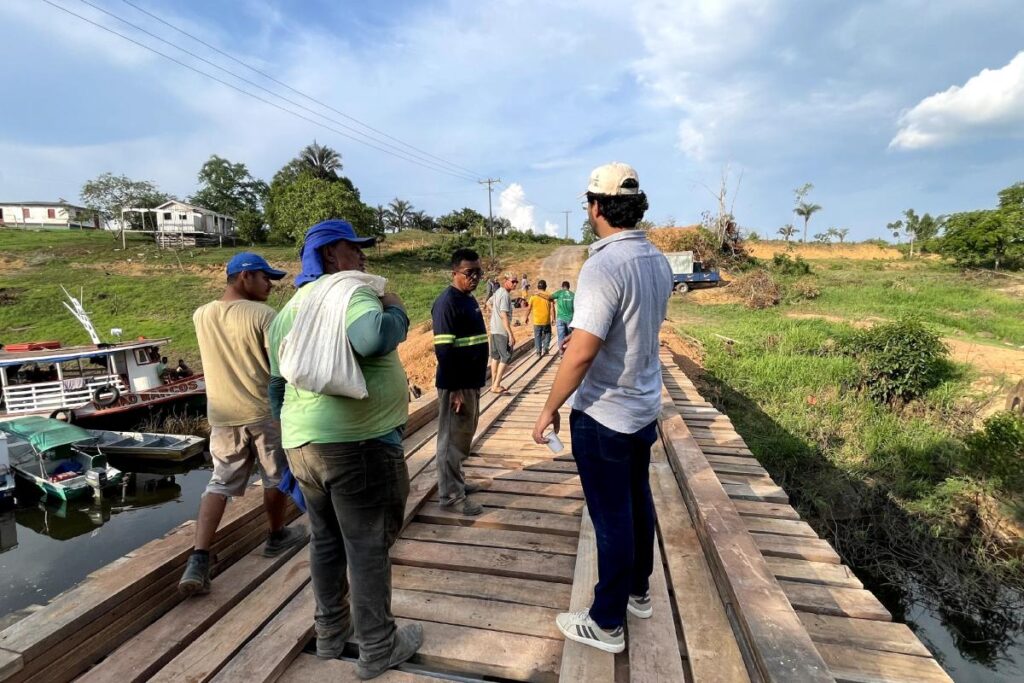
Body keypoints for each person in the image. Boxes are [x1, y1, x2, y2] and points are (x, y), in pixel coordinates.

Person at [267, 219, 422, 679]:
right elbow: (372, 338)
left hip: (305, 445)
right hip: (357, 445)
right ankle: (378, 646)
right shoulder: (349, 291)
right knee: (368, 543)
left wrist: (294, 439)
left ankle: (331, 632)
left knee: (326, 539)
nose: (362, 258)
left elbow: (278, 386)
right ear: (333, 255)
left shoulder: (290, 310)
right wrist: (395, 306)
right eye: (356, 250)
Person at [531, 163, 672, 654]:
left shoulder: (604, 265)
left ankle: (606, 622)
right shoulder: (655, 259)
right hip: (642, 408)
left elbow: (583, 349)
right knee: (637, 502)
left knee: (610, 516)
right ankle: (638, 591)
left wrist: (549, 407)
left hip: (605, 412)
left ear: (595, 206)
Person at [179, 252, 307, 597]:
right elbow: (282, 368)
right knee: (276, 476)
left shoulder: (201, 315)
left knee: (219, 482)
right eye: (265, 278)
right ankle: (276, 535)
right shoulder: (264, 315)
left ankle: (199, 559)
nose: (270, 285)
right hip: (262, 413)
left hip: (221, 417)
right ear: (244, 277)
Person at [431, 248, 490, 516]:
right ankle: (451, 497)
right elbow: (443, 351)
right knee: (451, 440)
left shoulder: (468, 299)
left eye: (478, 272)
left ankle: (458, 483)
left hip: (470, 382)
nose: (475, 277)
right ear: (454, 273)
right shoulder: (447, 303)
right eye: (469, 273)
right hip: (457, 385)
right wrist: (454, 389)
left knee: (463, 436)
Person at [485, 274, 517, 395]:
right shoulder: (504, 295)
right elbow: (504, 315)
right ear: (506, 281)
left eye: (516, 282)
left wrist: (494, 312)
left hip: (494, 330)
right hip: (501, 330)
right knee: (506, 356)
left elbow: (488, 302)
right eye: (513, 281)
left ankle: (494, 383)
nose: (515, 284)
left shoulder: (498, 291)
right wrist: (510, 334)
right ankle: (496, 385)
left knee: (495, 357)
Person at [527, 280, 555, 358]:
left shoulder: (533, 296)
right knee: (548, 333)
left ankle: (538, 352)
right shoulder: (549, 295)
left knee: (537, 336)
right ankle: (546, 347)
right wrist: (553, 318)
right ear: (545, 287)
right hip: (546, 320)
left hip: (537, 321)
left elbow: (529, 308)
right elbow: (552, 308)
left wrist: (526, 317)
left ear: (538, 287)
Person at [550, 281, 575, 357]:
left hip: (560, 318)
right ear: (568, 287)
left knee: (561, 336)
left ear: (562, 286)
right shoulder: (573, 295)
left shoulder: (559, 293)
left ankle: (561, 352)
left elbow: (550, 297)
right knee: (569, 336)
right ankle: (568, 353)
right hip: (570, 319)